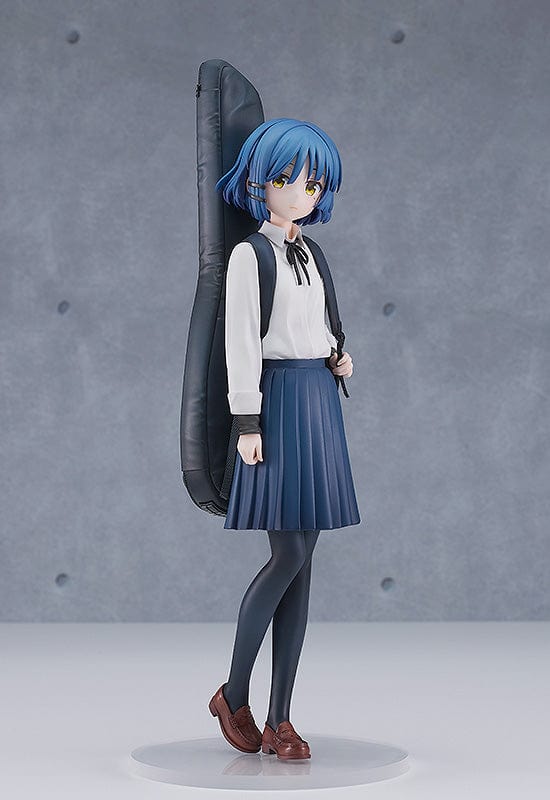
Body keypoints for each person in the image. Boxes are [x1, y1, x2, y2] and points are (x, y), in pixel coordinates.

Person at [208, 118, 361, 760]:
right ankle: (233, 693)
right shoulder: (250, 255)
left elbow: (319, 323)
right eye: (287, 178)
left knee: (303, 562)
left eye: (313, 183)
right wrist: (246, 422)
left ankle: (280, 718)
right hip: (275, 405)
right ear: (259, 182)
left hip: (317, 399)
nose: (302, 192)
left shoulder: (313, 254)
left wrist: (338, 357)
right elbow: (241, 342)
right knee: (289, 553)